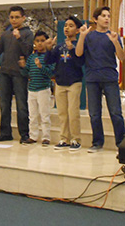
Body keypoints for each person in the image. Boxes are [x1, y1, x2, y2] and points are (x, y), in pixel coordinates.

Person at [75, 6, 125, 153]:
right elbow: (78, 53)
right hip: (92, 79)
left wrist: (116, 42)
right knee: (94, 113)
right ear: (95, 19)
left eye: (108, 16)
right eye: (103, 16)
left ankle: (121, 143)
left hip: (109, 78)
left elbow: (122, 58)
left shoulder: (113, 36)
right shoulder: (89, 36)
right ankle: (97, 142)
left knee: (116, 112)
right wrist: (82, 36)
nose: (107, 18)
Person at [0, 6, 34, 143]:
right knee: (4, 104)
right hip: (4, 72)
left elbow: (28, 51)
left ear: (23, 18)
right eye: (11, 17)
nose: (14, 20)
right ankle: (5, 133)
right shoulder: (6, 33)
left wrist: (20, 38)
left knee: (21, 104)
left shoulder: (28, 33)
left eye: (17, 17)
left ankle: (24, 134)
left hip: (19, 72)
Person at [45, 16, 85, 151]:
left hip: (74, 82)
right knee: (62, 113)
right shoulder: (60, 46)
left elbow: (81, 63)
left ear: (78, 30)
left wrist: (72, 50)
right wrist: (49, 49)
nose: (67, 28)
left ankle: (75, 139)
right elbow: (49, 61)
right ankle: (64, 138)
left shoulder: (80, 44)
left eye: (71, 26)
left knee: (73, 112)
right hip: (60, 82)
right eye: (66, 25)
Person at [18, 30, 55, 147]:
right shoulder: (31, 57)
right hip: (32, 89)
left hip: (43, 89)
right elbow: (26, 73)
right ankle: (33, 136)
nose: (40, 44)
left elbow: (50, 74)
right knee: (32, 115)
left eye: (43, 41)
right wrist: (23, 67)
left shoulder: (49, 57)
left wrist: (41, 67)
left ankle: (46, 137)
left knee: (44, 114)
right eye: (37, 41)